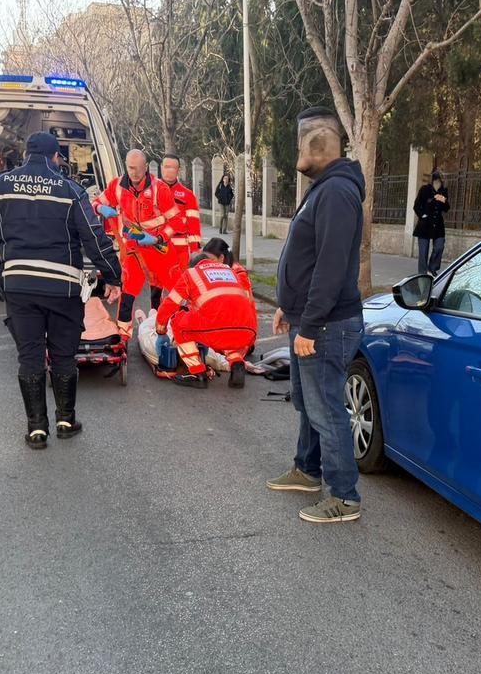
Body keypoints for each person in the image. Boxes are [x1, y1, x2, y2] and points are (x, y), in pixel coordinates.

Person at [0, 132, 122, 450]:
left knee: (30, 356)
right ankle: (66, 421)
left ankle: (36, 430)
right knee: (64, 355)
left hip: (20, 286)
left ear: (25, 156)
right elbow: (93, 236)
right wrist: (113, 276)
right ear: (54, 158)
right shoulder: (70, 190)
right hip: (63, 287)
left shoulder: (0, 185)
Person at [267, 107, 365, 524]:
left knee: (326, 408)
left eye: (299, 144)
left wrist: (309, 323)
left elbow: (329, 266)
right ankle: (308, 471)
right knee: (309, 403)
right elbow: (307, 259)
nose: (295, 154)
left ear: (316, 144)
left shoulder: (337, 193)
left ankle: (344, 497)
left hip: (327, 326)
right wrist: (288, 309)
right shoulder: (324, 189)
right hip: (309, 320)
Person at [93, 149, 186, 337]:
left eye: (138, 168)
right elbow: (94, 202)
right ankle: (123, 335)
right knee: (127, 293)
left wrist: (157, 238)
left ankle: (179, 330)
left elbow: (176, 221)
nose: (134, 173)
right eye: (130, 168)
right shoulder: (117, 186)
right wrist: (100, 208)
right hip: (134, 250)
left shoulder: (160, 189)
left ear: (146, 167)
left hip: (158, 250)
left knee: (176, 293)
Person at [154, 238, 256, 390]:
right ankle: (236, 363)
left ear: (194, 265)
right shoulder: (231, 271)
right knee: (230, 324)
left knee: (179, 323)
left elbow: (170, 304)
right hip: (247, 331)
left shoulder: (191, 274)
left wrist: (161, 329)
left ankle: (196, 373)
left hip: (217, 328)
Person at [160, 154, 202, 255]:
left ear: (178, 170)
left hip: (179, 252)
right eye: (166, 167)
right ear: (161, 168)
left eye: (173, 168)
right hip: (155, 249)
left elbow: (194, 226)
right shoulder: (151, 192)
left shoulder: (188, 195)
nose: (169, 170)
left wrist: (195, 251)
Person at [412, 170, 451, 275]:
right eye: (437, 181)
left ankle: (432, 268)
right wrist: (422, 215)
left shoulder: (443, 191)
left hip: (438, 224)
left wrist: (444, 201)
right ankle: (423, 273)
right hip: (424, 224)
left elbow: (447, 208)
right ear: (433, 181)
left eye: (440, 181)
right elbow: (416, 206)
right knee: (423, 251)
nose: (439, 183)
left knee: (439, 246)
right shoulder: (424, 189)